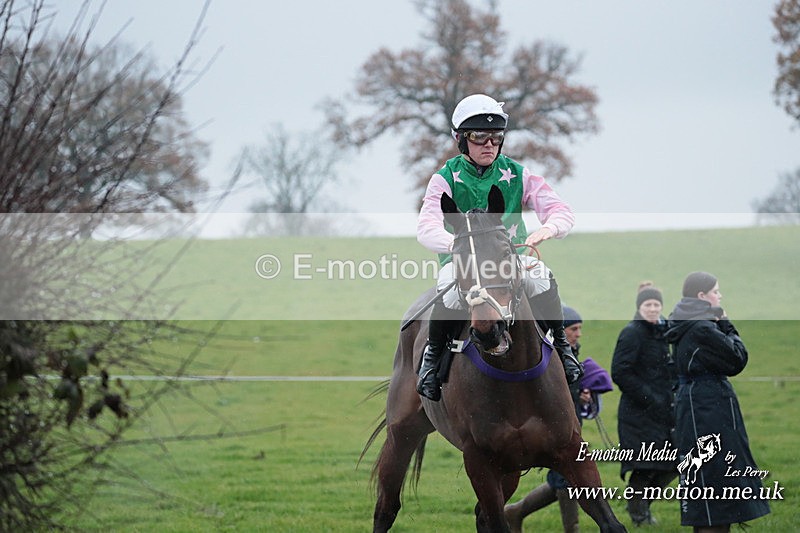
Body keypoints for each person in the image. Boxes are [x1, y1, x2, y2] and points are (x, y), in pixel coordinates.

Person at [415, 93, 582, 401]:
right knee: (449, 291)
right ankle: (432, 360)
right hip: (465, 262)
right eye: (480, 137)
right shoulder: (445, 178)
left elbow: (562, 211)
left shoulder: (518, 173)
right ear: (462, 140)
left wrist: (548, 228)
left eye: (495, 137)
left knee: (541, 274)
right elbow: (426, 229)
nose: (489, 144)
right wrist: (460, 245)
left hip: (509, 260)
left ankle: (562, 348)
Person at [665, 272, 770, 532]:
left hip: (695, 404)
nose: (720, 296)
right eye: (716, 291)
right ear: (702, 296)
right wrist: (725, 323)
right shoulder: (702, 327)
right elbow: (737, 358)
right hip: (708, 406)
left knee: (709, 476)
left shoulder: (685, 322)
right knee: (716, 474)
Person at [504, 306, 613, 533]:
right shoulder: (546, 359)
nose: (578, 334)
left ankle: (516, 512)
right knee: (566, 481)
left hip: (569, 429)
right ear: (560, 331)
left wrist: (582, 395)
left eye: (580, 328)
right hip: (550, 432)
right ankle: (571, 529)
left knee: (562, 480)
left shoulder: (570, 354)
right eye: (574, 328)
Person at [611, 282, 677, 526]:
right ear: (640, 307)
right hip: (637, 414)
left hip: (664, 411)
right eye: (648, 304)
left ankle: (642, 507)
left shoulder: (664, 332)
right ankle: (639, 516)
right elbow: (620, 371)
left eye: (656, 304)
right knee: (645, 466)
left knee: (673, 465)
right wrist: (649, 397)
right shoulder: (632, 333)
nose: (652, 309)